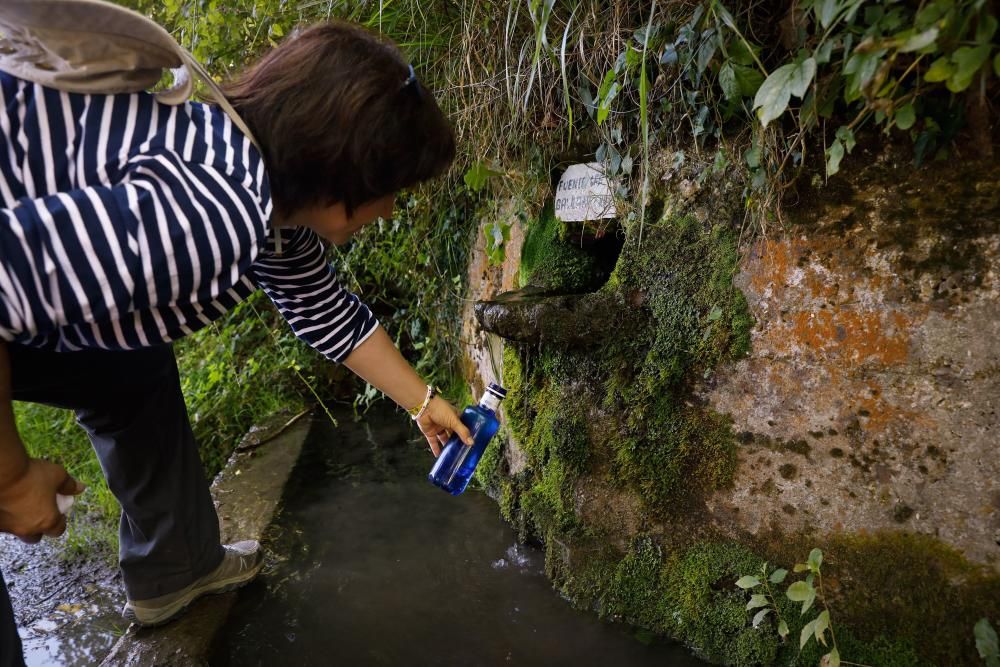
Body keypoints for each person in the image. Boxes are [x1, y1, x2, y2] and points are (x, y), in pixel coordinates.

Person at [0, 20, 474, 665]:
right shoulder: (210, 215)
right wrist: (10, 477)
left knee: (130, 368)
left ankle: (178, 570)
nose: (389, 210)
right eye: (391, 192)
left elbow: (322, 307)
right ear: (345, 173)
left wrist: (424, 403)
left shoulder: (256, 183)